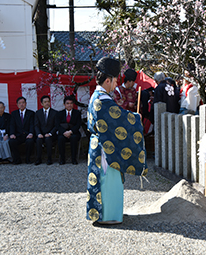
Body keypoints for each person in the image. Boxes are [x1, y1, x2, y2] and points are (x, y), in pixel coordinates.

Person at [86, 57, 148, 225]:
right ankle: (107, 215)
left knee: (104, 180)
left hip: (100, 145)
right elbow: (117, 118)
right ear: (108, 80)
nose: (116, 84)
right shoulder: (102, 99)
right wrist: (136, 118)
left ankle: (105, 213)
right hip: (105, 148)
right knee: (108, 181)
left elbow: (116, 114)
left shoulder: (97, 96)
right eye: (114, 80)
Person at [56, 95, 82, 165]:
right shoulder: (59, 113)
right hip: (63, 133)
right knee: (60, 138)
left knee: (74, 138)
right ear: (64, 104)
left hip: (74, 132)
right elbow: (57, 125)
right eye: (67, 103)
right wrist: (64, 132)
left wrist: (70, 132)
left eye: (71, 103)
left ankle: (74, 159)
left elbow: (78, 125)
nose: (69, 105)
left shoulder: (77, 113)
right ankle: (62, 159)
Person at [9, 96, 35, 164]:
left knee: (30, 141)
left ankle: (27, 159)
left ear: (26, 103)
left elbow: (32, 124)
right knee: (12, 141)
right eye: (19, 103)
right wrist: (12, 134)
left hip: (27, 134)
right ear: (17, 104)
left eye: (23, 103)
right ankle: (17, 159)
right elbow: (12, 125)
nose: (21, 104)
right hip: (18, 135)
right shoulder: (14, 114)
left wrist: (31, 133)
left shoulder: (31, 113)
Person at [34, 95, 57, 165]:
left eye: (48, 102)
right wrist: (38, 134)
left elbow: (56, 126)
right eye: (45, 102)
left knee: (48, 139)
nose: (47, 103)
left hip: (51, 135)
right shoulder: (38, 113)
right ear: (41, 103)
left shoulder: (55, 113)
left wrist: (50, 133)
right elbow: (36, 125)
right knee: (38, 140)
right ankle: (38, 159)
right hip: (41, 134)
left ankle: (49, 159)